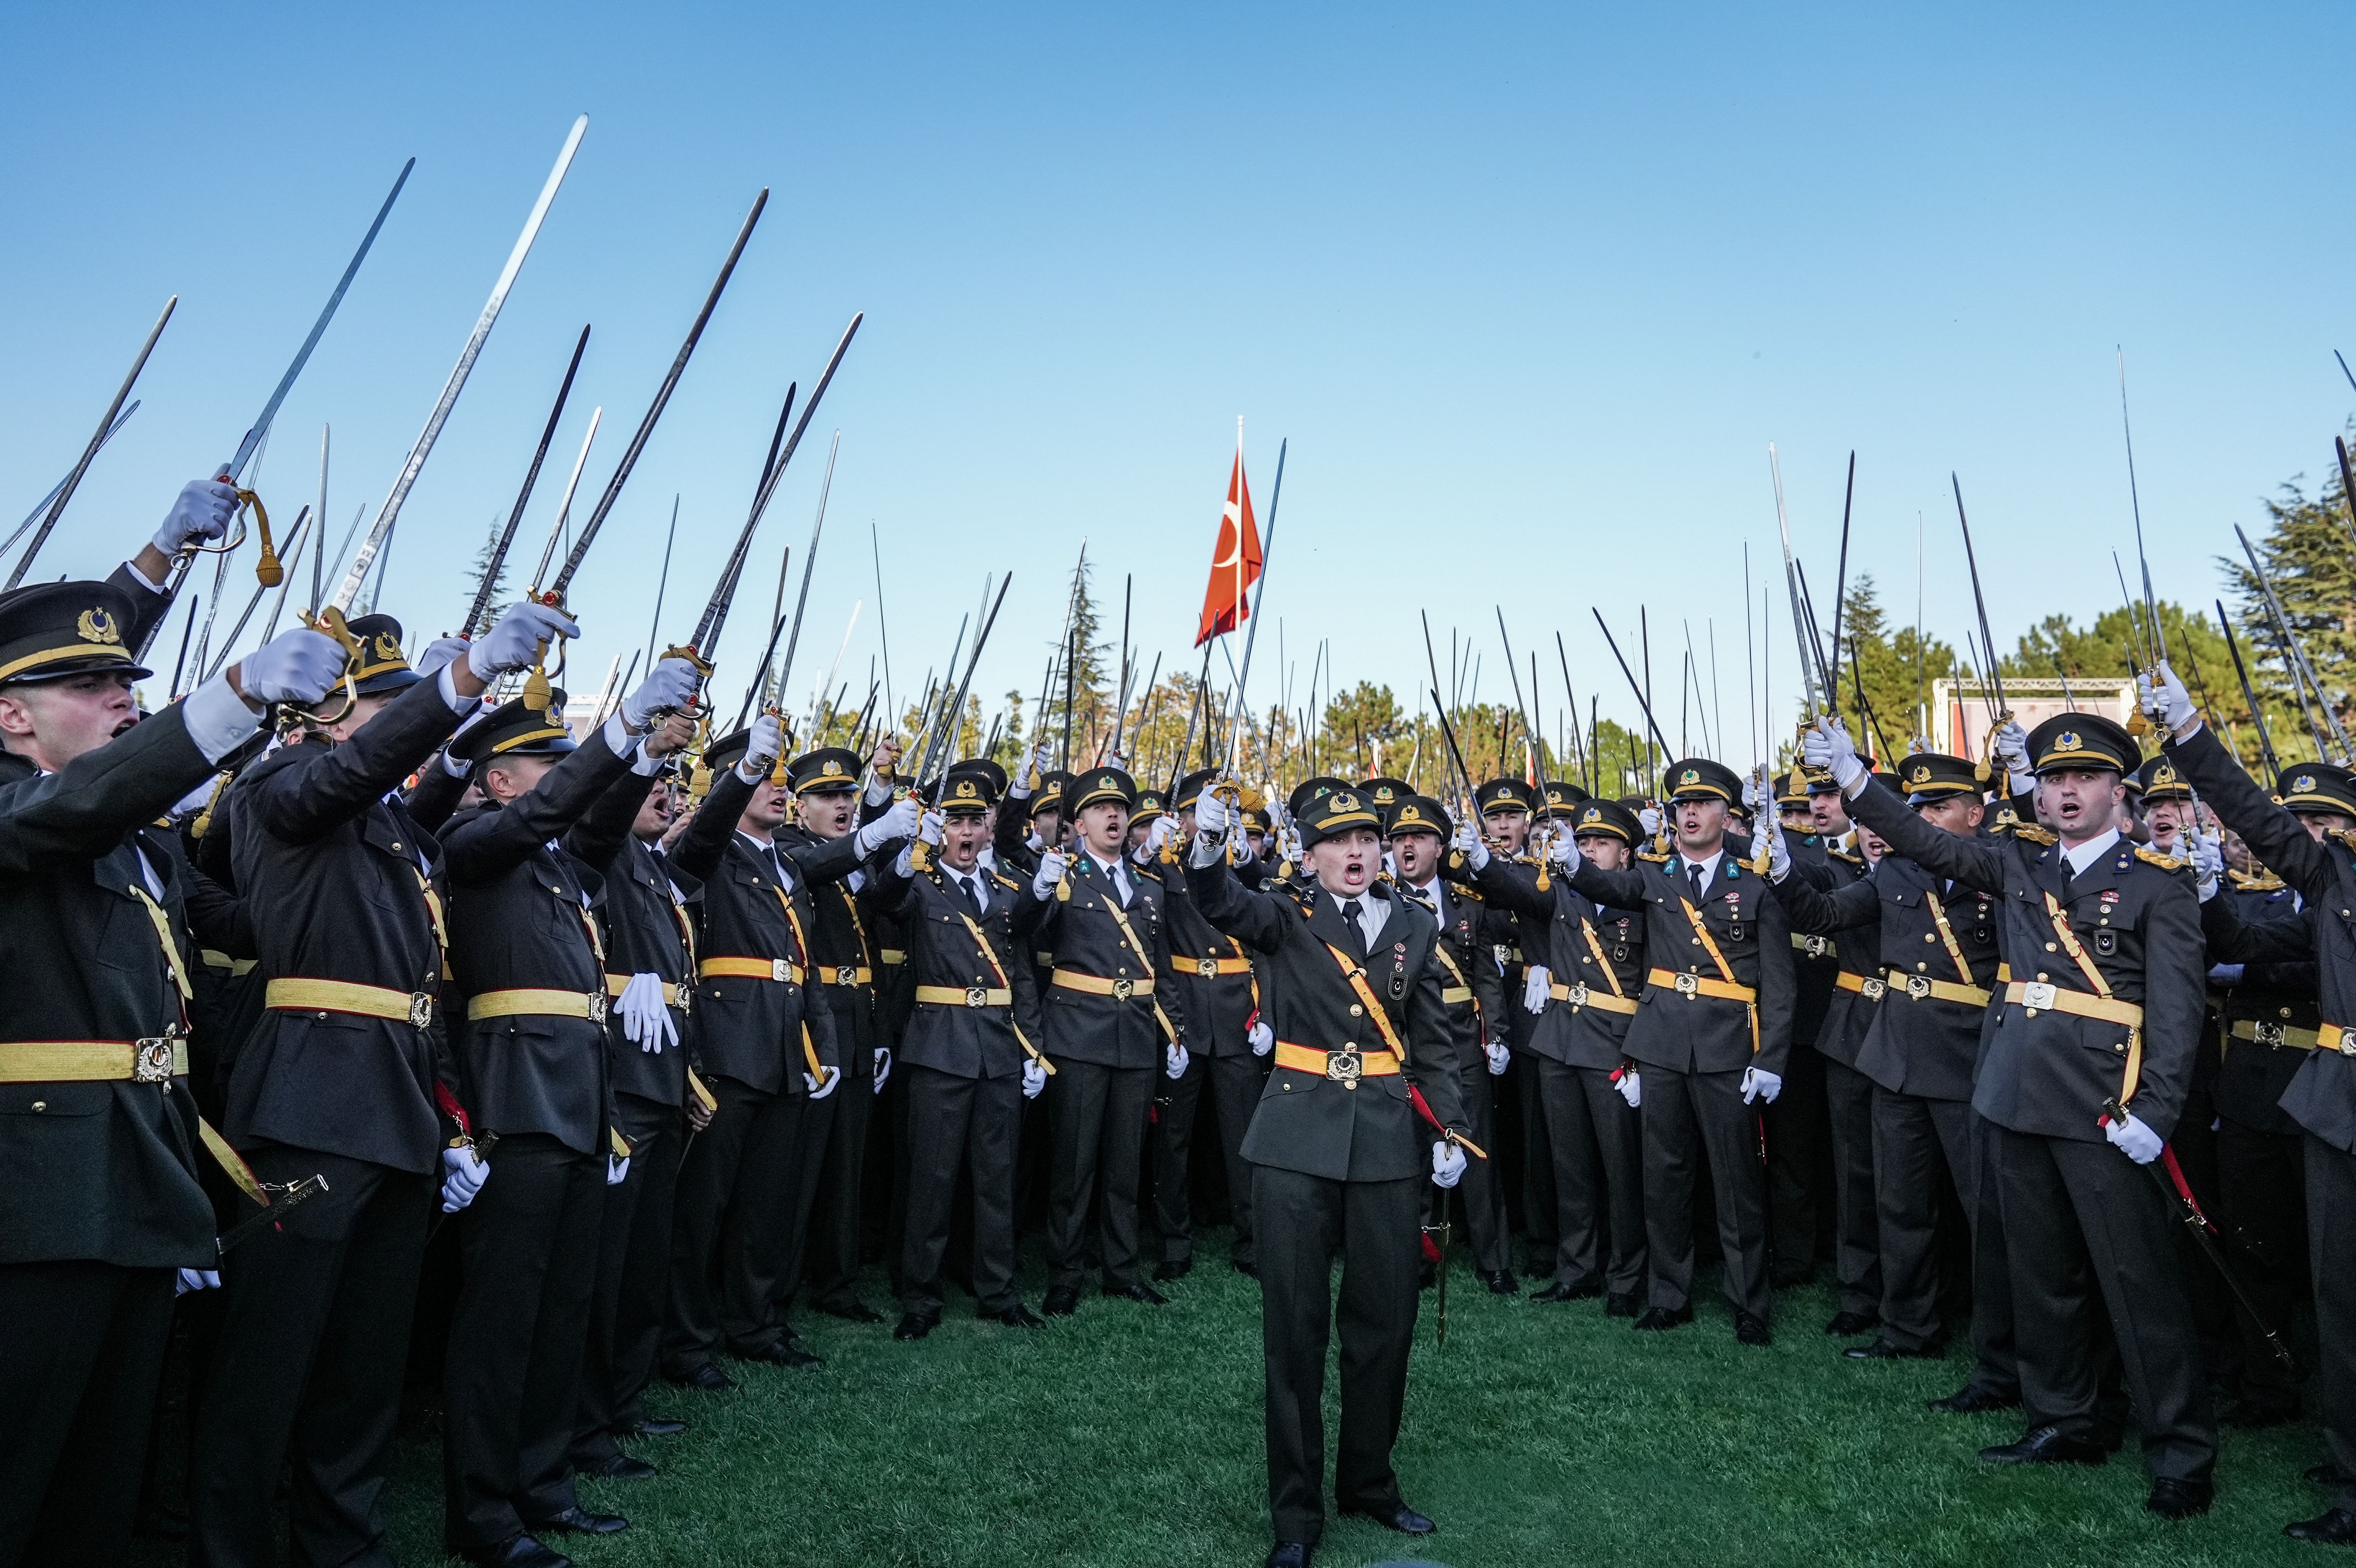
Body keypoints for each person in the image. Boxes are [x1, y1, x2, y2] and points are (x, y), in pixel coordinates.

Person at [193, 601, 570, 1568]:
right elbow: (358, 769)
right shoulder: (280, 787)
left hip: (395, 1106)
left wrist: (444, 1121)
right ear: (326, 716)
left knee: (363, 1369)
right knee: (266, 1364)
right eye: (388, 709)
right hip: (311, 1103)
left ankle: (342, 1545)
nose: (407, 729)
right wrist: (460, 683)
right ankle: (227, 1550)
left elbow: (421, 983)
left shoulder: (395, 831)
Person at [0, 562, 343, 1568]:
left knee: (99, 1483)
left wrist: (176, 1196)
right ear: (14, 719)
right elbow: (69, 813)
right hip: (32, 1205)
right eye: (91, 686)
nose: (125, 698)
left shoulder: (131, 846)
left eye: (130, 683)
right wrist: (229, 698)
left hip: (132, 1185)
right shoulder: (25, 812)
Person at [1806, 709, 2216, 1519]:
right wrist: (1857, 780)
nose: (2068, 790)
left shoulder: (2155, 885)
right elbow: (1928, 844)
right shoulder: (2018, 862)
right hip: (2015, 1094)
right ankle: (2067, 1415)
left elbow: (2178, 1015)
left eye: (2085, 777)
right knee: (2042, 1273)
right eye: (2056, 777)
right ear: (2039, 790)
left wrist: (2157, 1110)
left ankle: (2181, 1449)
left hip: (2105, 1108)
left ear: (2116, 791)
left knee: (2138, 1285)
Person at [437, 659, 700, 1567]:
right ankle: (481, 1510)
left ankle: (543, 1480)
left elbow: (593, 821)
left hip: (582, 1103)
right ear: (497, 780)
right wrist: (617, 729)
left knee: (561, 1307)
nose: (560, 780)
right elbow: (555, 814)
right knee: (503, 1320)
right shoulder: (473, 841)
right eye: (544, 767)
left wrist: (640, 747)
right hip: (516, 1101)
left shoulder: (555, 866)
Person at [1184, 784, 1472, 1568]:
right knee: (1296, 1330)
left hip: (1384, 1141)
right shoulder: (1282, 914)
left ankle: (1370, 1484)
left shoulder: (1415, 921)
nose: (1355, 853)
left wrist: (1450, 1126)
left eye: (1366, 841)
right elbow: (1220, 902)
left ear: (1382, 853)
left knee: (1385, 1322)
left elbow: (1434, 1039)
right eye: (1337, 843)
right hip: (1293, 1141)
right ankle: (1296, 1517)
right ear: (1307, 859)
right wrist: (1208, 847)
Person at [2148, 663, 2356, 1539]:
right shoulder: (2336, 882)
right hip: (2340, 1101)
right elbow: (2262, 821)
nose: (2313, 830)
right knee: (2342, 1298)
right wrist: (2191, 733)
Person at [660, 716, 902, 1386]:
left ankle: (756, 1323)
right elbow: (697, 858)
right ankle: (685, 1343)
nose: (775, 787)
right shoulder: (708, 852)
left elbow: (803, 967)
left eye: (775, 776)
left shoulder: (784, 865)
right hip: (729, 1050)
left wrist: (821, 1050)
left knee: (768, 1205)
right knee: (705, 1208)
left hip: (788, 1049)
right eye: (760, 774)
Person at [1769, 753, 2018, 1400]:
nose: (1924, 819)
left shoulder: (2005, 864)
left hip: (1971, 1059)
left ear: (1976, 812)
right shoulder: (1897, 869)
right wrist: (1776, 870)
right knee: (1898, 1201)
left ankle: (2001, 1350)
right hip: (1897, 1055)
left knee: (1984, 1212)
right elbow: (1824, 914)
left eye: (1938, 807)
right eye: (1919, 808)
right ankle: (1906, 1324)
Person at [1554, 757, 1796, 1344]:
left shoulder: (1752, 881)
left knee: (1735, 1180)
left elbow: (1779, 983)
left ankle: (1749, 1302)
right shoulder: (1653, 875)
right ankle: (1668, 1294)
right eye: (1680, 805)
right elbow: (1607, 884)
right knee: (1662, 1176)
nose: (1689, 813)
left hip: (1725, 1046)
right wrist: (1569, 862)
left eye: (1702, 803)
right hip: (1660, 1044)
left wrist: (1769, 1060)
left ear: (1725, 814)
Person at [563, 742, 707, 1484]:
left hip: (662, 1070)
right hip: (619, 1073)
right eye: (650, 784)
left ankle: (620, 1399)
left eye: (673, 786)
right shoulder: (602, 853)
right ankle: (587, 1420)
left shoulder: (652, 866)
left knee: (644, 1257)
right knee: (605, 1265)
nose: (666, 795)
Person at [868, 767, 1049, 1338]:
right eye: (954, 821)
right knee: (932, 1177)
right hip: (937, 1047)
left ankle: (998, 1290)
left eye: (974, 820)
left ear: (988, 827)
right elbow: (882, 898)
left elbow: (1019, 974)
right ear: (938, 828)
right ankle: (920, 1297)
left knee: (995, 1178)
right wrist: (905, 854)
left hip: (996, 1049)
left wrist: (1032, 1050)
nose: (965, 831)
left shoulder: (1007, 892)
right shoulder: (920, 883)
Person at [1012, 765, 1188, 1315]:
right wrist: (1041, 886)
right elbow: (1022, 930)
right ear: (1079, 823)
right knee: (1073, 1163)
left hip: (1135, 1033)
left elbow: (1160, 966)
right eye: (1099, 808)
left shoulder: (1147, 885)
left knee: (1124, 1162)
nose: (1113, 815)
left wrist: (1175, 1029)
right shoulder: (1063, 875)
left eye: (1119, 808)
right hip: (1077, 1032)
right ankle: (1064, 1273)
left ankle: (1120, 1269)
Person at [1466, 796, 1649, 1314]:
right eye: (1584, 842)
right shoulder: (1560, 892)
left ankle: (1626, 1276)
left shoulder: (1639, 899)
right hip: (1559, 1042)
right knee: (1569, 1166)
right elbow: (1513, 891)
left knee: (1621, 1167)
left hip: (1615, 1043)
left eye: (1602, 844)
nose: (1590, 850)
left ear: (1626, 854)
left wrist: (1638, 1053)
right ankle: (1576, 1269)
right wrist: (1481, 862)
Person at [786, 740, 910, 1327]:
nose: (839, 802)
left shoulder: (850, 862)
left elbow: (874, 944)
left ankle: (838, 1281)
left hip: (857, 1019)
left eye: (846, 794)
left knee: (846, 1167)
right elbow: (815, 866)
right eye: (825, 795)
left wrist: (880, 1031)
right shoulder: (790, 849)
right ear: (799, 805)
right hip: (815, 1021)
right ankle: (782, 1284)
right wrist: (871, 833)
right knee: (802, 1165)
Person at [1151, 769, 1272, 1280]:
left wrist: (1267, 1012)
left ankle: (1251, 1241)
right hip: (1182, 1009)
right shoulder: (1163, 865)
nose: (1211, 820)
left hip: (1235, 1010)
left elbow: (1266, 921)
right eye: (1197, 811)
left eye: (1224, 810)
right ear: (1180, 818)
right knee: (1172, 1137)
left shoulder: (1245, 864)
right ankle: (1173, 1243)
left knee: (1243, 1135)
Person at [1387, 794, 1511, 1292]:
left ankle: (1495, 1259)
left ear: (1439, 846)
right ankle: (1417, 1256)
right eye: (1398, 838)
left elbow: (1486, 978)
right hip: (1406, 1043)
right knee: (1412, 1155)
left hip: (1462, 1040)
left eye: (1416, 837)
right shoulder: (1379, 901)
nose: (1407, 846)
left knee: (1478, 1151)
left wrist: (1496, 1032)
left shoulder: (1468, 906)